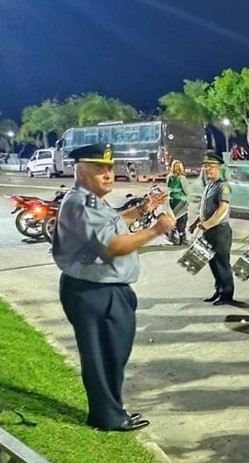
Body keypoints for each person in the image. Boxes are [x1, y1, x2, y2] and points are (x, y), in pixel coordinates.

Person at [52, 143, 176, 432]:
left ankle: (111, 409)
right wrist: (156, 230)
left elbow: (111, 224)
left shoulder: (91, 200)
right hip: (95, 292)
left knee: (112, 352)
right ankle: (107, 416)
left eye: (109, 169)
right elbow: (112, 245)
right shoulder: (82, 203)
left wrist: (142, 209)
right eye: (99, 170)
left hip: (102, 290)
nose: (108, 175)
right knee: (103, 355)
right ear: (81, 172)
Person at [191, 151, 234, 305]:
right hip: (208, 231)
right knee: (213, 263)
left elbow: (222, 208)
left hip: (220, 231)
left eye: (210, 166)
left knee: (222, 264)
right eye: (206, 167)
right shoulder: (210, 185)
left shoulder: (223, 186)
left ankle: (227, 294)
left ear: (218, 168)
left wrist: (208, 224)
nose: (207, 169)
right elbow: (205, 208)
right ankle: (219, 290)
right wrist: (195, 223)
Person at [167, 159, 190, 244]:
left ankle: (172, 236)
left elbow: (168, 188)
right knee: (182, 219)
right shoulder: (182, 178)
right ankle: (182, 238)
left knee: (174, 218)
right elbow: (187, 191)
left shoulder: (169, 177)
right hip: (181, 201)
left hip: (172, 201)